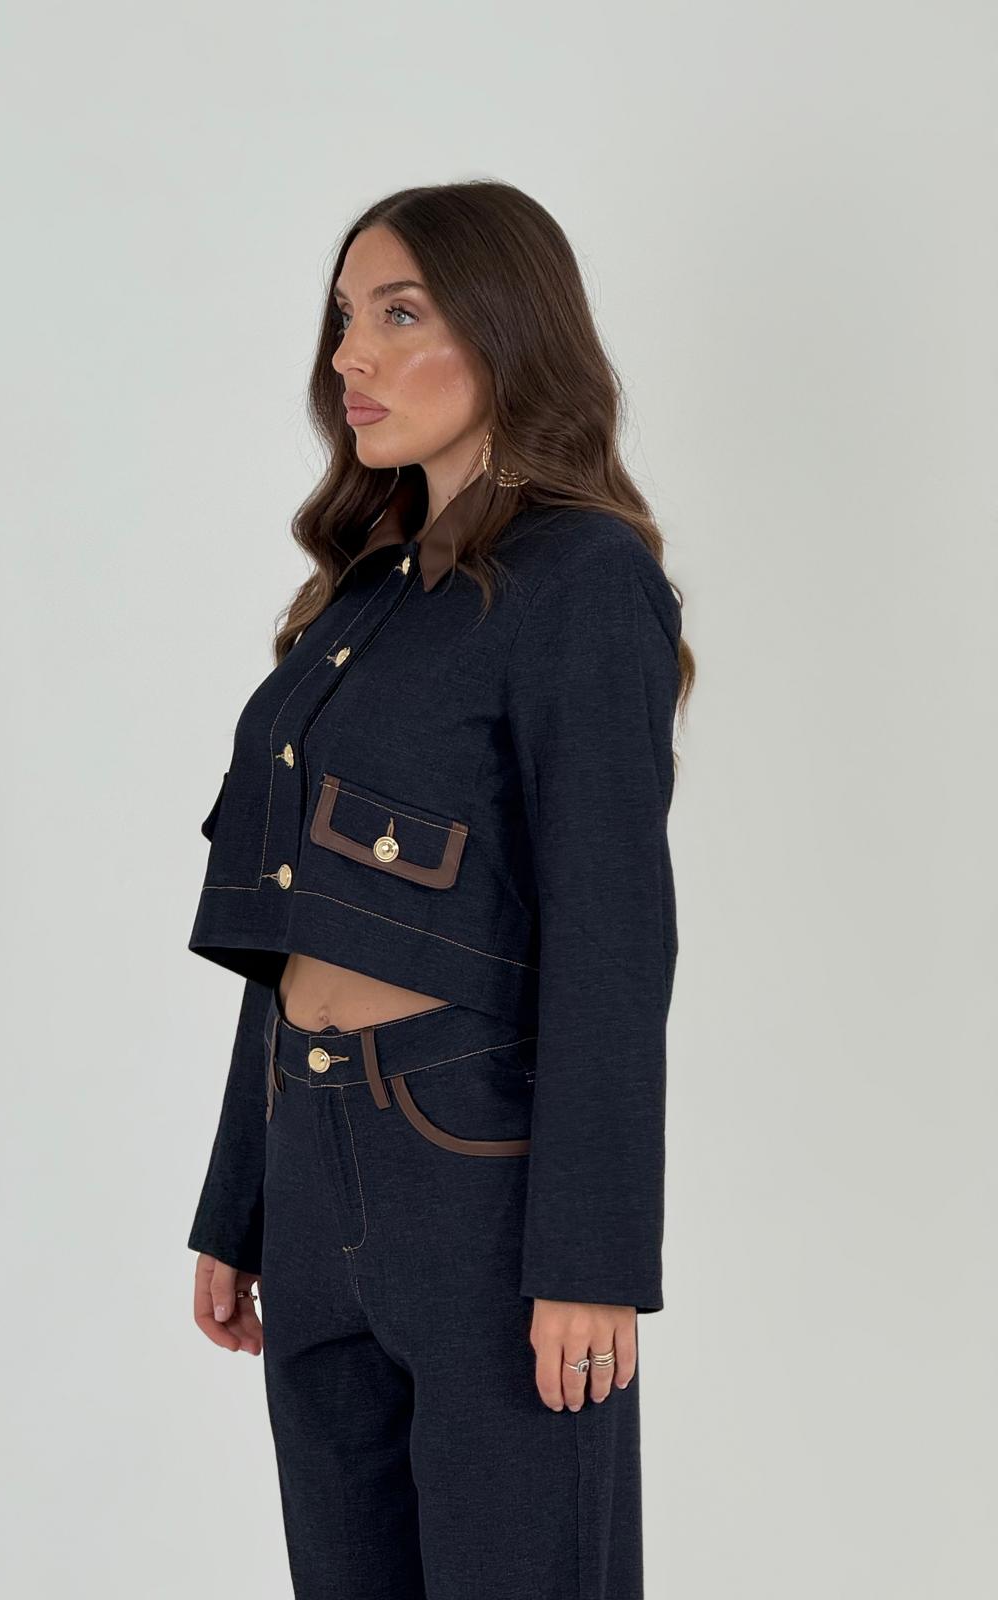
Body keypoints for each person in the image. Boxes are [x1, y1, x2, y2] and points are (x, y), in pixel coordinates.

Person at [184, 178, 694, 1599]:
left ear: (509, 330)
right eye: (346, 316)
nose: (351, 354)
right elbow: (292, 923)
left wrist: (593, 1258)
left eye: (399, 314)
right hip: (310, 1154)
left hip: (477, 1167)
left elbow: (613, 933)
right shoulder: (359, 601)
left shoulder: (583, 577)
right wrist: (238, 1201)